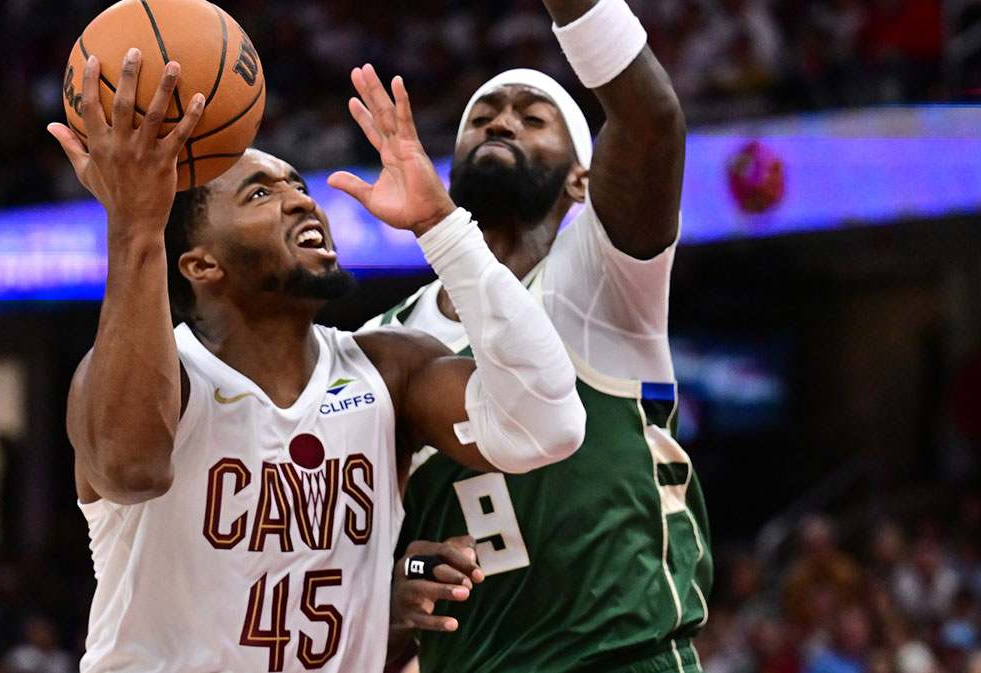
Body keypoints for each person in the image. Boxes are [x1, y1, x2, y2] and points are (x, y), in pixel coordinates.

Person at [45, 48, 586, 672]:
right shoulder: (155, 381)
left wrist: (443, 225)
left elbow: (551, 426)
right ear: (201, 264)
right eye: (259, 194)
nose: (302, 202)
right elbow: (129, 469)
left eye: (297, 186)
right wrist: (136, 226)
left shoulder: (388, 370)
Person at [372, 0, 713, 671]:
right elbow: (369, 550)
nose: (502, 119)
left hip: (621, 657)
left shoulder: (602, 273)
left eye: (533, 117)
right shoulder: (380, 342)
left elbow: (652, 121)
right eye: (484, 115)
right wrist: (392, 585)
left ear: (582, 179)